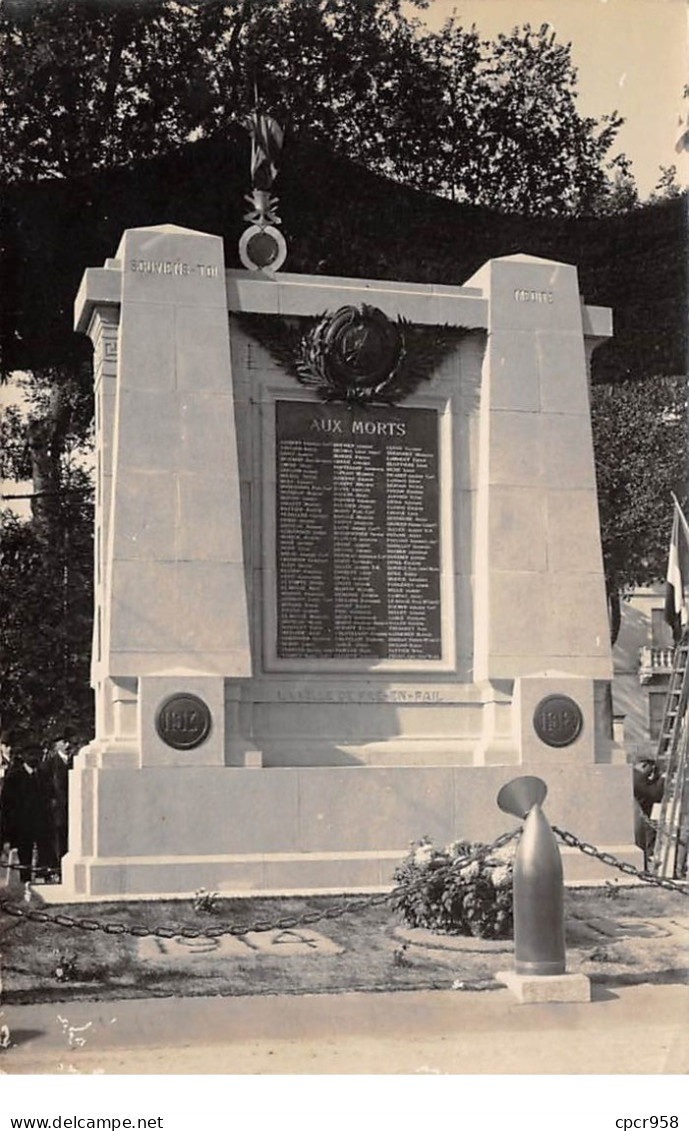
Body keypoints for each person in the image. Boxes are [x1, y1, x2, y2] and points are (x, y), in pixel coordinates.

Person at [0, 747, 52, 896]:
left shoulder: (42, 775)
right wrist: (9, 830)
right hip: (22, 825)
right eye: (31, 754)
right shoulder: (14, 777)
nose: (34, 758)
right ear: (24, 757)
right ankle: (26, 882)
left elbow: (47, 798)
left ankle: (43, 879)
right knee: (25, 854)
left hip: (41, 823)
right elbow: (6, 805)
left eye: (37, 754)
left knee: (45, 851)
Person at [39, 736, 72, 878]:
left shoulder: (75, 761)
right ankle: (58, 868)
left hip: (73, 808)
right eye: (64, 742)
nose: (68, 745)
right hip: (58, 809)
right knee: (59, 839)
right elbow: (46, 787)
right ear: (56, 745)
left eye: (69, 742)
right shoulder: (49, 764)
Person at [633, 758, 665, 871]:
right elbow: (654, 794)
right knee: (643, 841)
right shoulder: (638, 777)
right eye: (650, 769)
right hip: (640, 816)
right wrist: (662, 778)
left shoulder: (634, 775)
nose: (650, 773)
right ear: (644, 765)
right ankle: (643, 867)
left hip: (641, 815)